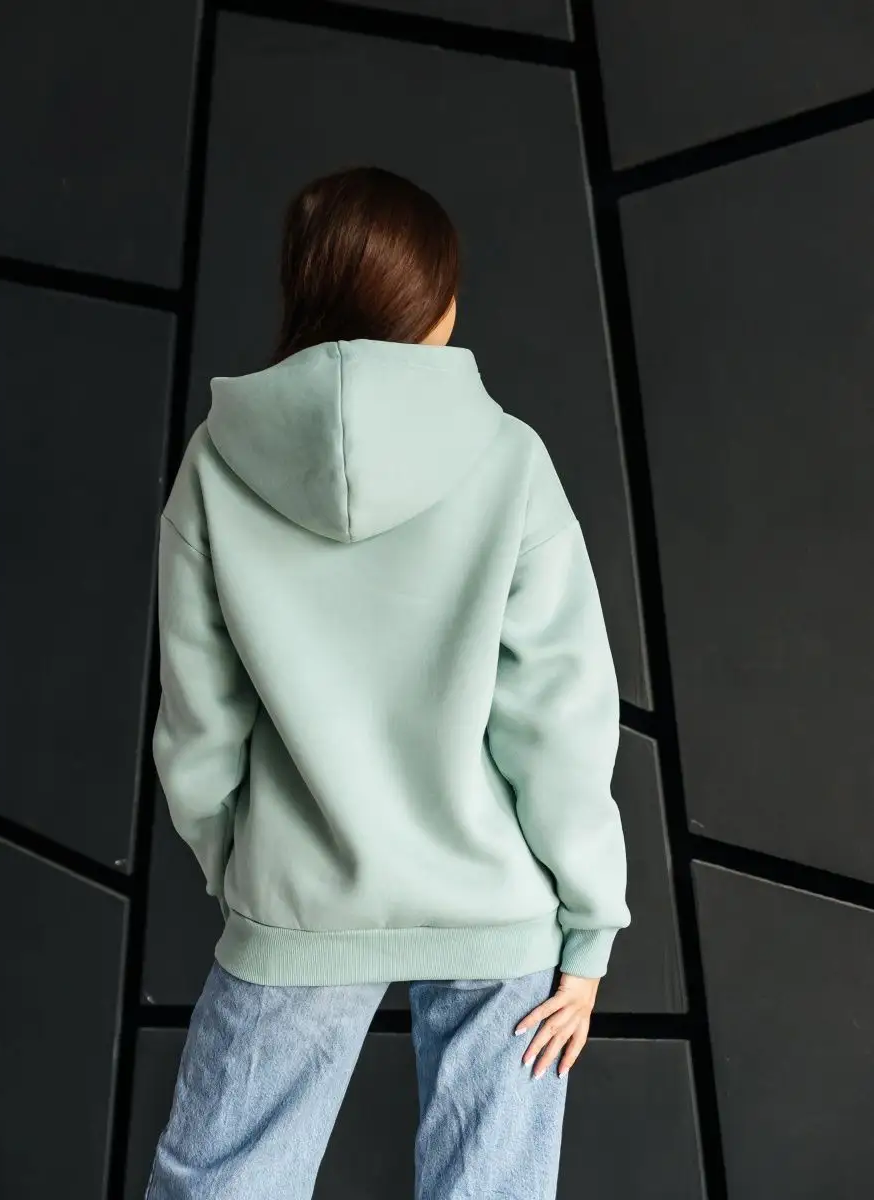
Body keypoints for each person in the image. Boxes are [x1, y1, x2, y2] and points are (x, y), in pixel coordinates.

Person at [147, 164, 630, 1200]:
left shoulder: (214, 464)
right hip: (497, 902)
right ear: (435, 302)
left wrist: (250, 872)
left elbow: (197, 724)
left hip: (299, 896)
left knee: (221, 1183)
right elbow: (559, 719)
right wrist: (589, 930)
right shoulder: (510, 460)